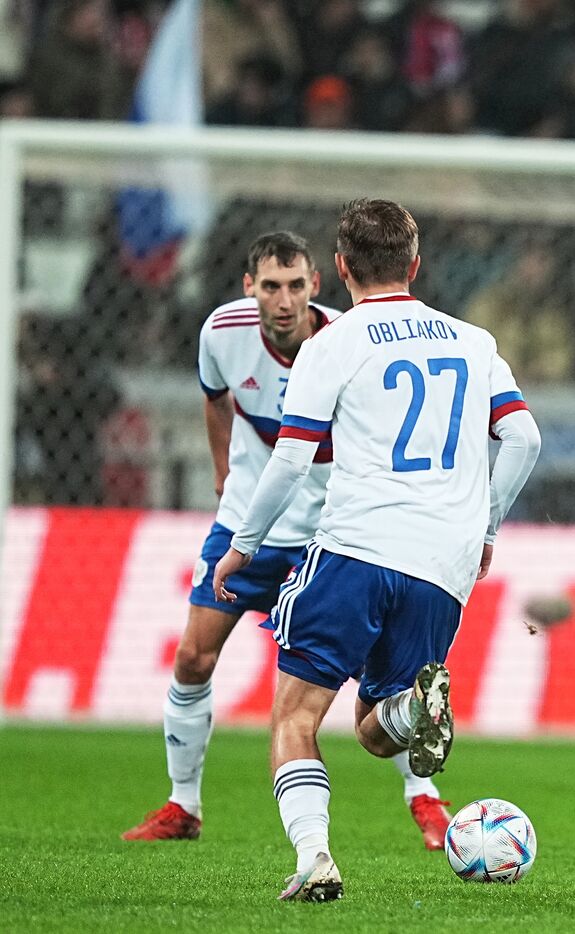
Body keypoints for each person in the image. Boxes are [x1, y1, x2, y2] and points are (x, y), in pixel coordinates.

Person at [212, 201, 541, 901]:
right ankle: (410, 709)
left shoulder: (331, 342)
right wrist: (484, 528)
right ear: (415, 265)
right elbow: (524, 439)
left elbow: (292, 460)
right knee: (374, 730)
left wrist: (243, 545)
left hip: (357, 548)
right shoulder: (472, 340)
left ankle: (314, 858)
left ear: (338, 270)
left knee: (297, 718)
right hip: (443, 566)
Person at [121, 233, 454, 850]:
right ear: (250, 288)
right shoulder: (221, 334)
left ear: (317, 286)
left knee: (383, 683)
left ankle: (425, 798)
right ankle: (182, 805)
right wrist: (224, 472)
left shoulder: (343, 346)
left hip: (333, 535)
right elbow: (215, 400)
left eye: (296, 286)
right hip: (252, 521)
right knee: (194, 656)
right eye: (271, 286)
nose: (284, 300)